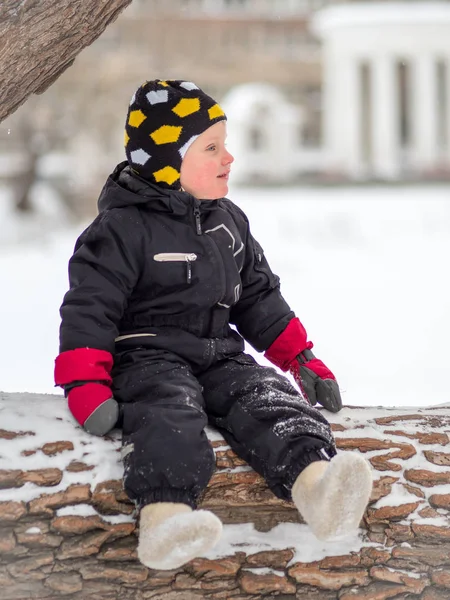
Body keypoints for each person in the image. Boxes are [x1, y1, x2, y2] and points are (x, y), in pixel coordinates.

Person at [54, 79, 372, 571]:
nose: (229, 158)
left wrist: (301, 359)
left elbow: (260, 297)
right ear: (166, 160)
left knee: (266, 398)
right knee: (170, 414)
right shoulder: (120, 231)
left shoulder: (228, 222)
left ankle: (318, 489)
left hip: (218, 354)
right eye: (212, 147)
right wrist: (85, 384)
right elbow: (88, 310)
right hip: (147, 358)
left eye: (225, 145)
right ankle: (165, 518)